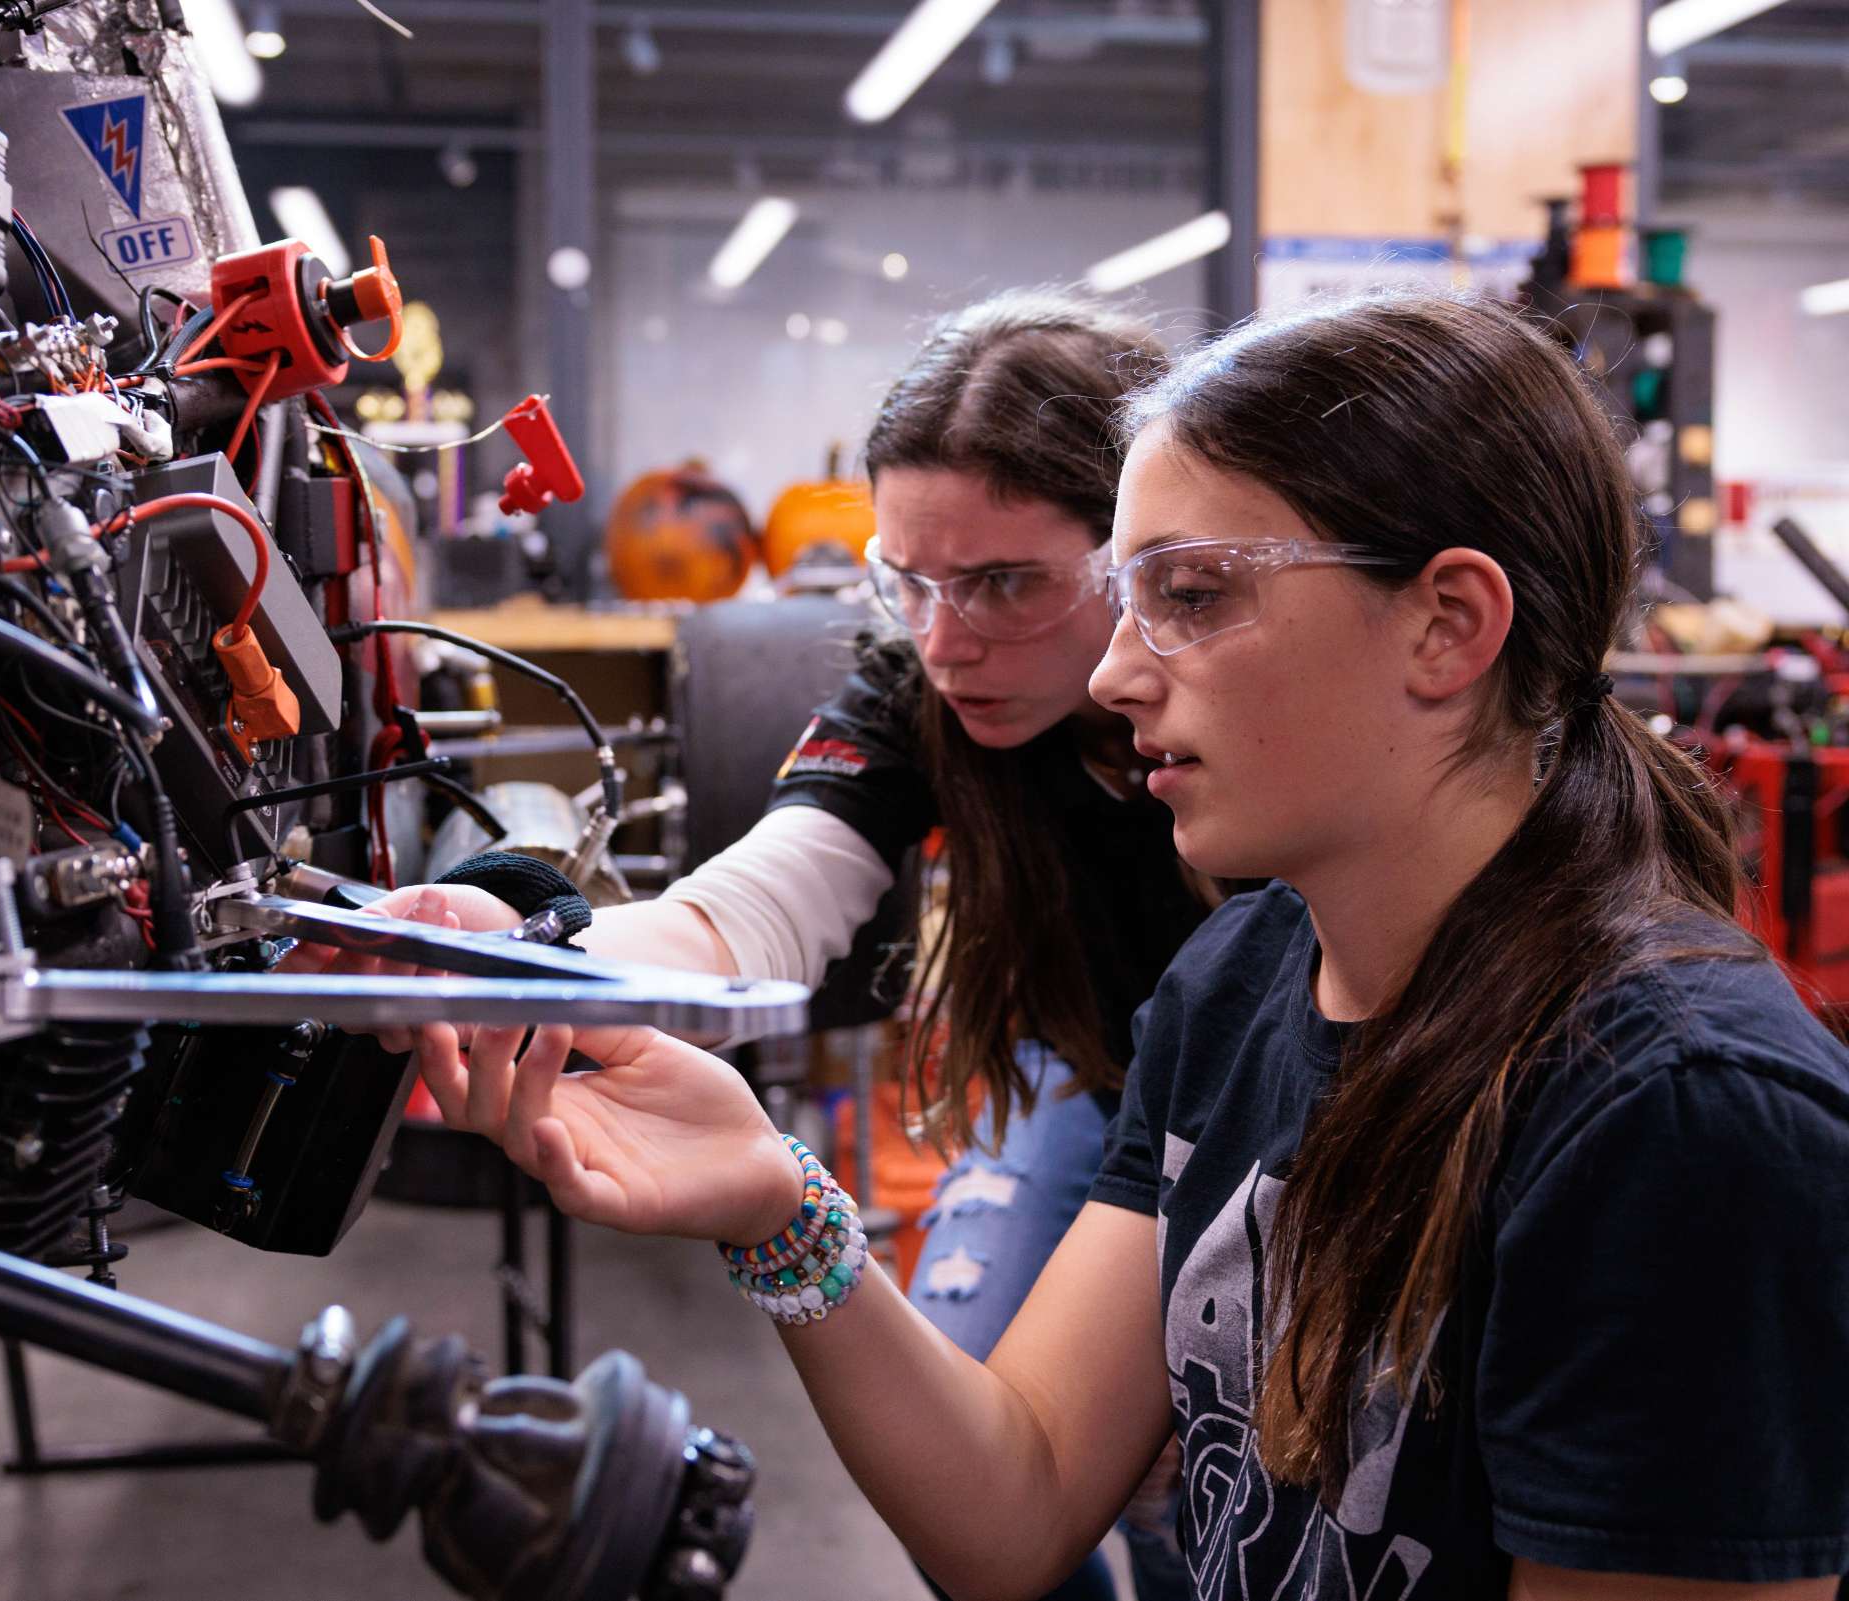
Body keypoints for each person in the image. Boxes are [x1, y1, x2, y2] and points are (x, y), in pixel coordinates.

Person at [394, 290, 1849, 1599]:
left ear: (1449, 623)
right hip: (1136, 1073)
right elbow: (1012, 1502)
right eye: (911, 584)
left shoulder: (1679, 1125)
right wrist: (765, 1193)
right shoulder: (1227, 984)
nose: (1104, 666)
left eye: (1190, 593)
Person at [303, 289, 1212, 1598]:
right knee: (961, 1452)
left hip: (1283, 1109)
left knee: (1221, 1491)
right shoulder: (918, 678)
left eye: (1007, 582)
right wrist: (522, 934)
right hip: (1093, 1069)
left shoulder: (1249, 703)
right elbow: (751, 912)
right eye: (912, 580)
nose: (949, 640)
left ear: (1139, 548)